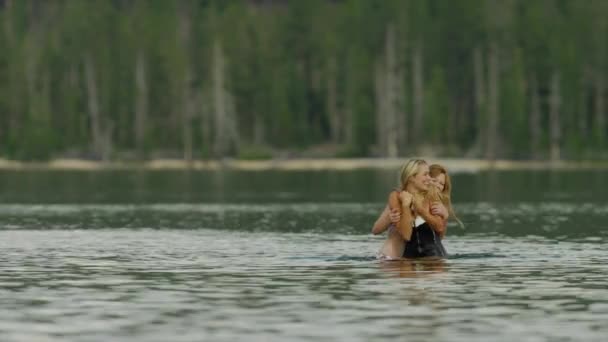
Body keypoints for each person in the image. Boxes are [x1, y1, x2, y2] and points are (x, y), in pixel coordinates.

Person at [372, 160, 457, 259]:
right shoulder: (397, 196)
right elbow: (375, 230)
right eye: (427, 175)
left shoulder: (431, 199)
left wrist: (445, 216)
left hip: (413, 258)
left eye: (442, 184)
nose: (436, 185)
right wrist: (389, 218)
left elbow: (438, 236)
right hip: (391, 258)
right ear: (412, 177)